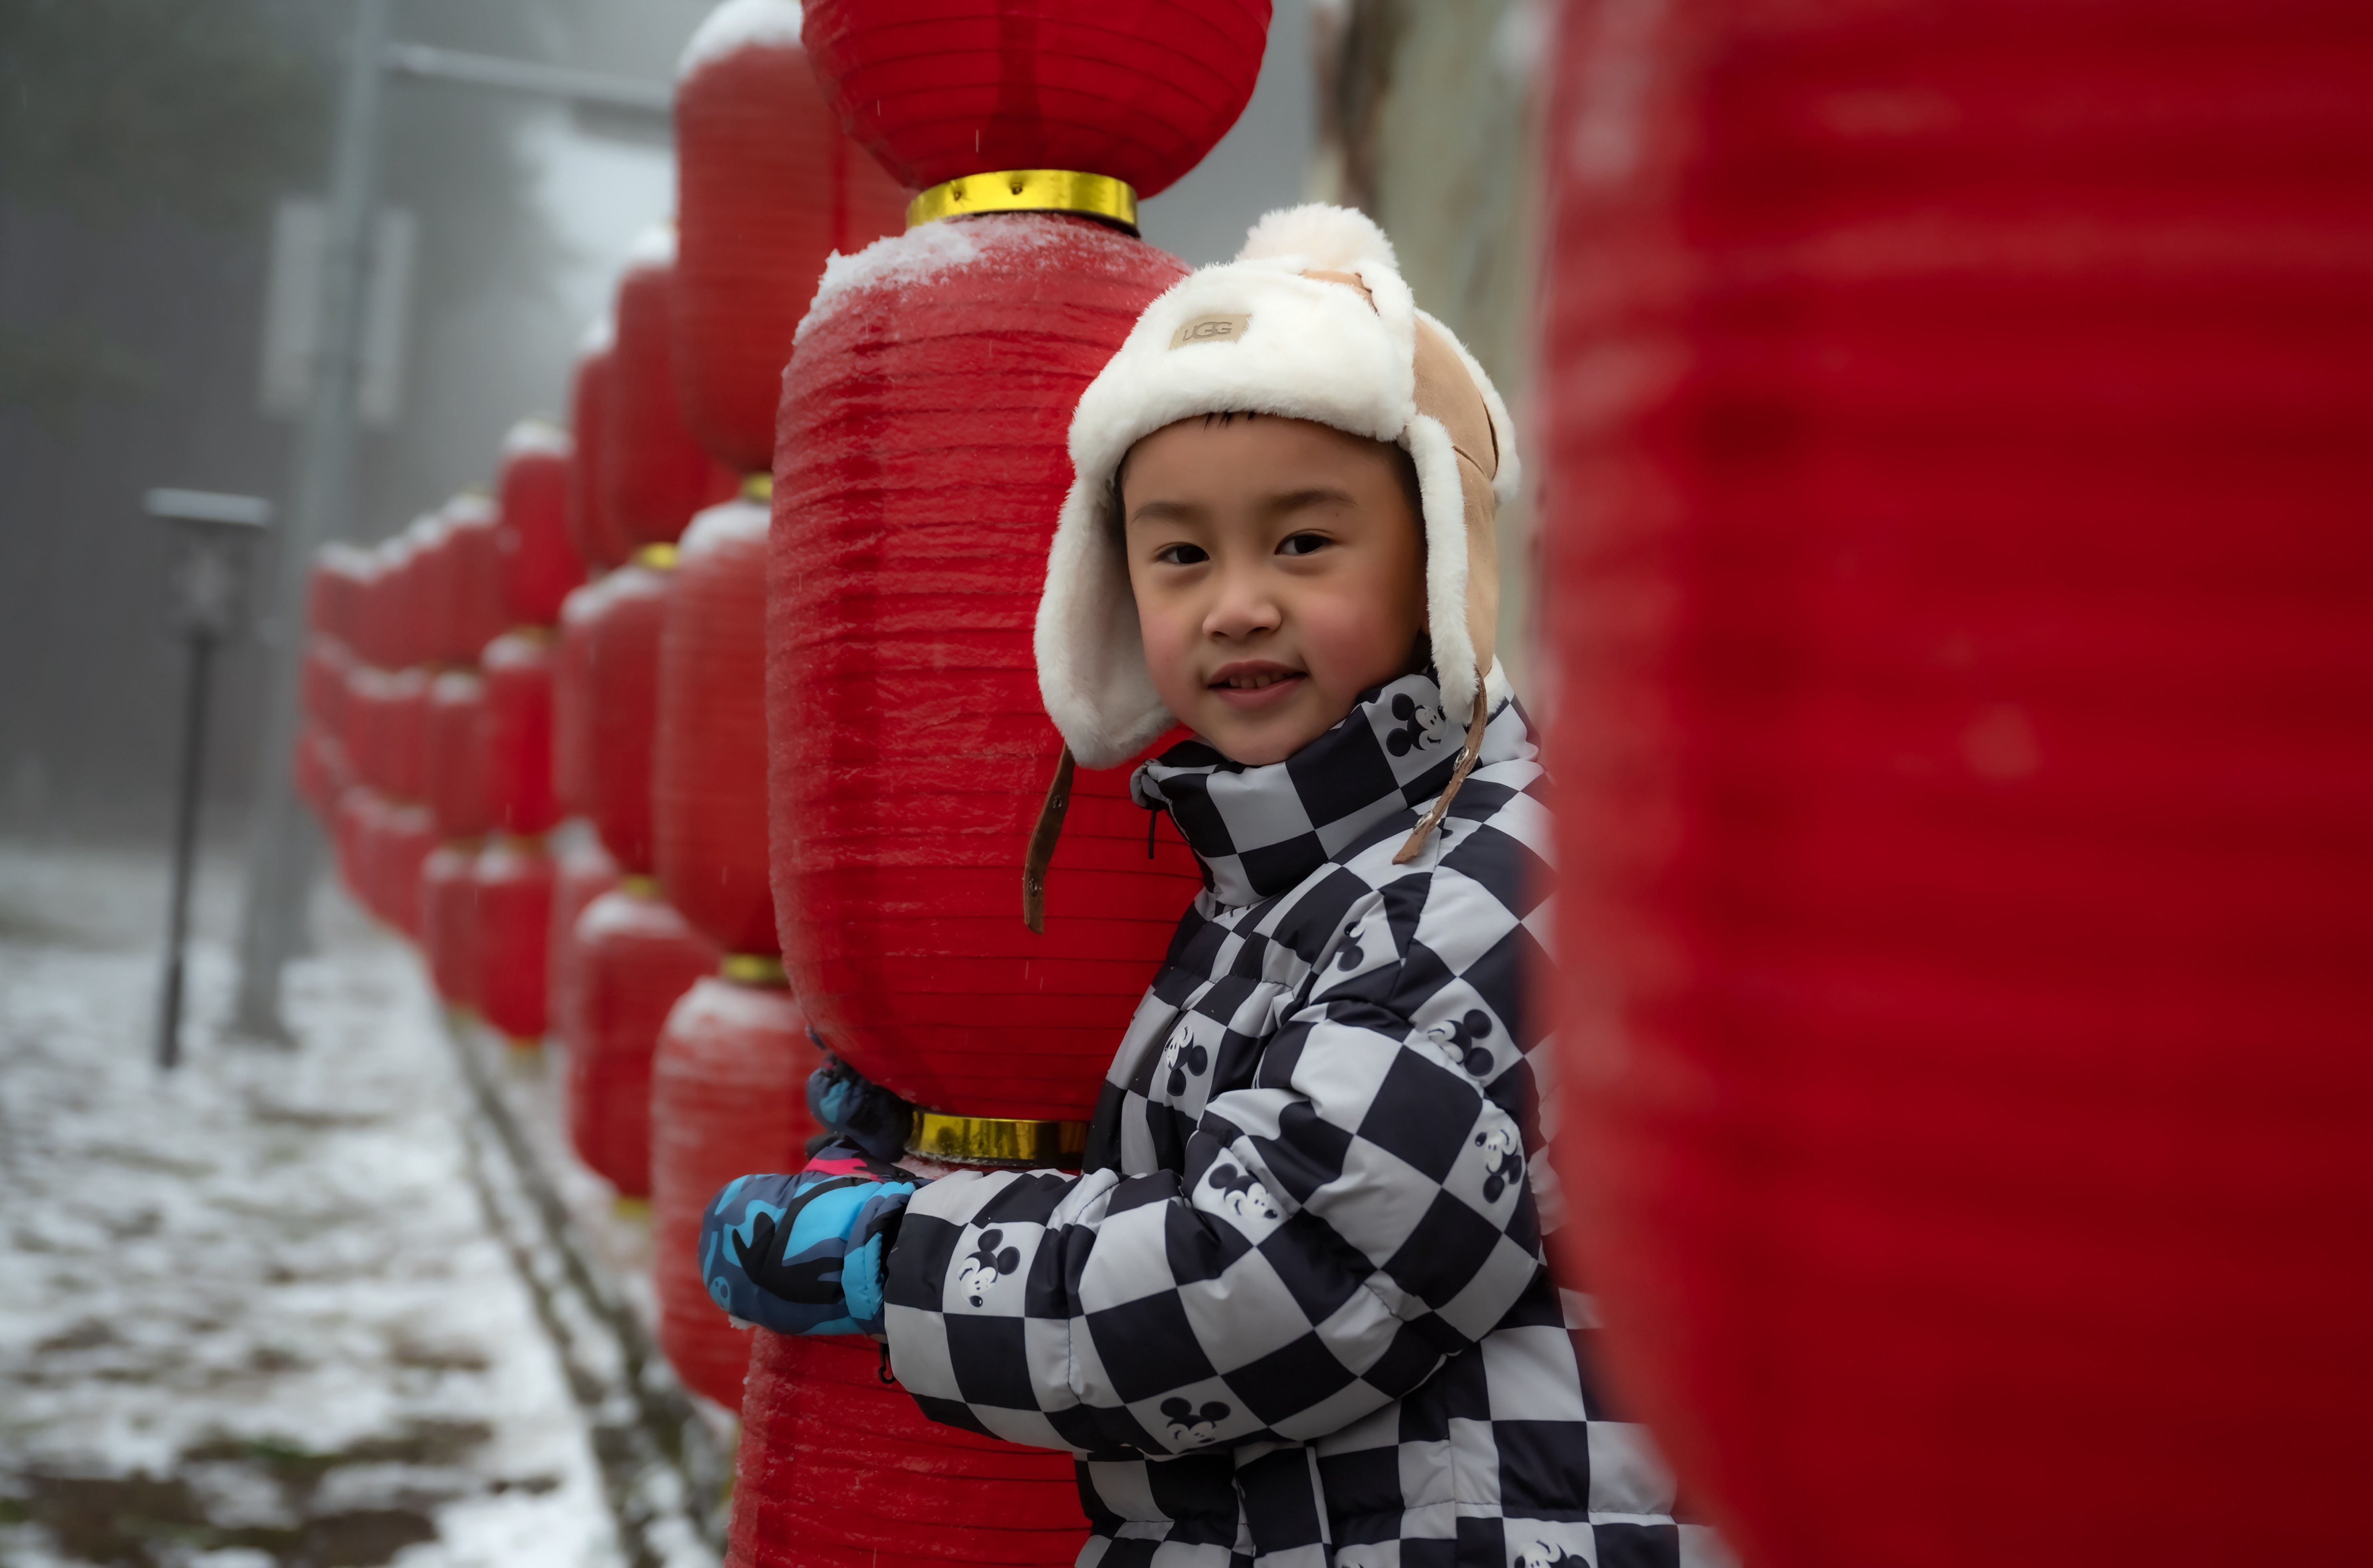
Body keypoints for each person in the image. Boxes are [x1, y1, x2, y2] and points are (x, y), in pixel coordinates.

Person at [701, 206, 1727, 1568]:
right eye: (1181, 555)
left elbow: (1277, 1275)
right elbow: (1216, 1180)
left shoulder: (1488, 880)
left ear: (1435, 556)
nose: (1236, 604)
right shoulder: (1265, 881)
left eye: (1303, 544)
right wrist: (944, 1155)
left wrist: (897, 1258)